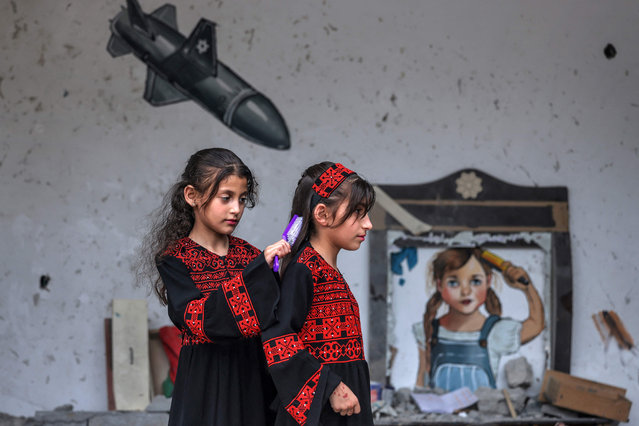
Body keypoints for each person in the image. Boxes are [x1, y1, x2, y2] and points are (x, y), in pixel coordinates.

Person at [139, 147, 290, 425]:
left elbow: (275, 318)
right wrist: (257, 275)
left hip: (253, 382)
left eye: (242, 199)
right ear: (192, 196)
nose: (236, 209)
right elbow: (199, 319)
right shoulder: (175, 258)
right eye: (226, 198)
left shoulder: (250, 256)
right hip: (203, 385)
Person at [261, 162, 376, 426]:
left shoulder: (325, 269)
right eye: (358, 213)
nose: (368, 224)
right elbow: (278, 339)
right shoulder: (304, 269)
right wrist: (331, 387)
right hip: (320, 414)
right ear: (322, 214)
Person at [413, 246, 545, 392]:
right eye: (453, 282)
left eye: (475, 281)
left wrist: (527, 288)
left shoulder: (496, 332)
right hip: (439, 414)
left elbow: (536, 324)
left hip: (483, 414)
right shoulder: (428, 330)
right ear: (439, 285)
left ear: (488, 282)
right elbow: (421, 382)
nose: (465, 291)